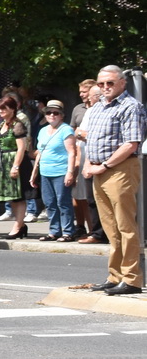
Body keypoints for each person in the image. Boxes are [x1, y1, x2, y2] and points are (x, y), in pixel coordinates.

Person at [79, 66, 144, 295]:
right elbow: (90, 140)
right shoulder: (97, 107)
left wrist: (104, 166)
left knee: (126, 226)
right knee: (110, 227)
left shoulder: (130, 107)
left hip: (120, 169)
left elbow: (131, 144)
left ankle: (132, 279)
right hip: (99, 170)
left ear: (122, 83)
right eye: (101, 83)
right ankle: (115, 275)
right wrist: (88, 165)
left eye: (110, 83)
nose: (105, 87)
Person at [31, 100, 77, 241]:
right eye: (49, 112)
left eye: (56, 113)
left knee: (63, 202)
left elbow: (72, 152)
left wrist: (70, 172)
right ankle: (54, 231)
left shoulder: (66, 130)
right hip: (45, 171)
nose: (52, 115)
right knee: (49, 202)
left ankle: (68, 231)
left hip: (61, 171)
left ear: (61, 115)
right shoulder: (43, 130)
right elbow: (40, 152)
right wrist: (34, 173)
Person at [0, 95, 31, 240]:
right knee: (11, 197)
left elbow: (21, 148)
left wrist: (16, 166)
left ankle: (18, 226)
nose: (1, 111)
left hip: (14, 160)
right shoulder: (2, 124)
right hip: (3, 161)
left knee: (18, 196)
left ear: (12, 109)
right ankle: (21, 225)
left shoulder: (17, 125)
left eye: (4, 109)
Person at [70, 79, 101, 241]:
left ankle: (95, 231)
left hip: (98, 157)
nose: (83, 96)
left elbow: (92, 135)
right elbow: (75, 132)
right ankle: (88, 229)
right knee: (82, 195)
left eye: (85, 92)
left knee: (94, 197)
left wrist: (82, 134)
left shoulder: (100, 109)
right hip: (82, 156)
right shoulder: (81, 110)